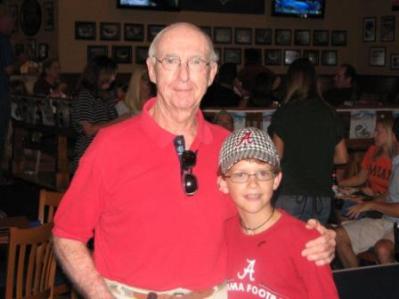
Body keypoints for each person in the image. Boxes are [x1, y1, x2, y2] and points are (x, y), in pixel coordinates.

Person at [53, 23, 336, 299]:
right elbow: (67, 234)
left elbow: (261, 223)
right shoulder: (110, 145)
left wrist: (310, 240)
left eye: (196, 62)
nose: (184, 76)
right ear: (152, 70)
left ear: (211, 73)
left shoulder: (230, 147)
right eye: (171, 61)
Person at [218, 127, 338, 298]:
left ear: (276, 180)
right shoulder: (223, 234)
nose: (253, 183)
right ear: (223, 183)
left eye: (262, 173)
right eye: (241, 174)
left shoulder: (307, 244)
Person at [269, 58, 349, 224]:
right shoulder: (329, 112)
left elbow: (276, 156)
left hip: (290, 192)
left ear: (290, 82)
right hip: (322, 198)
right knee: (315, 248)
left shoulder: (284, 113)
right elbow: (343, 158)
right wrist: (318, 157)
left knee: (288, 248)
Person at [336, 117, 399, 268]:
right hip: (386, 219)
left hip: (391, 220)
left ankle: (389, 289)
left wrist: (371, 204)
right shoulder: (396, 160)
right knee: (338, 234)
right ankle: (358, 283)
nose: (374, 134)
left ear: (393, 136)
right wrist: (369, 201)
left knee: (383, 249)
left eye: (379, 131)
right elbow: (389, 194)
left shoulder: (394, 159)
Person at [71, 55, 127, 172]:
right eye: (111, 74)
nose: (113, 79)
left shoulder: (105, 96)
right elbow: (89, 130)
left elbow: (125, 113)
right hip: (89, 155)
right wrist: (119, 121)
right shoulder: (85, 96)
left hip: (104, 154)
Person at [339, 117, 395, 197]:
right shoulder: (373, 150)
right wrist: (338, 184)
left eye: (378, 132)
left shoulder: (396, 159)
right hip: (371, 198)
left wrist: (376, 195)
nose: (374, 135)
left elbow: (395, 194)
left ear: (390, 134)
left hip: (388, 203)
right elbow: (360, 178)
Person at [0, 6, 15, 184]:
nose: (12, 26)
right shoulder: (3, 41)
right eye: (10, 22)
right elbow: (8, 69)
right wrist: (22, 60)